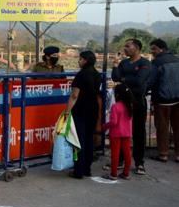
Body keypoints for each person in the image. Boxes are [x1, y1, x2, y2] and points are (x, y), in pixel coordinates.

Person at [111, 38, 151, 175]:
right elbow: (115, 77)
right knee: (122, 132)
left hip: (138, 101)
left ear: (137, 48)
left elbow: (139, 81)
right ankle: (120, 160)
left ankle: (139, 162)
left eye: (128, 46)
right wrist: (115, 65)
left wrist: (124, 79)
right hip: (123, 103)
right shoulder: (123, 63)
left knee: (139, 132)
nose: (125, 48)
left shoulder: (145, 63)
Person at [64, 50, 102, 179]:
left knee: (79, 140)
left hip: (80, 110)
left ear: (85, 60)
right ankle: (87, 169)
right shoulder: (97, 74)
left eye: (80, 59)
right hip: (93, 109)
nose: (78, 61)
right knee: (89, 139)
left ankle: (78, 170)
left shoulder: (81, 75)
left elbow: (74, 95)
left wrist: (67, 111)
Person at [147, 38, 179, 163]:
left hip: (162, 100)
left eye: (154, 49)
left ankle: (163, 154)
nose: (152, 52)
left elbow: (151, 81)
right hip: (178, 98)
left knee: (162, 127)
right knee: (177, 127)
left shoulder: (157, 62)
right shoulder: (177, 59)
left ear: (161, 49)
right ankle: (177, 154)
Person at [102, 84, 133, 180]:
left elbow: (114, 122)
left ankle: (113, 173)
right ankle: (126, 173)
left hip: (115, 133)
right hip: (127, 133)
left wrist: (104, 126)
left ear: (117, 95)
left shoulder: (115, 107)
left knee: (115, 154)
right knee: (127, 153)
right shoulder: (130, 106)